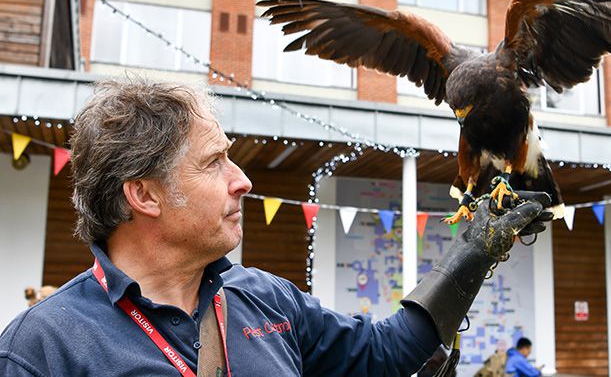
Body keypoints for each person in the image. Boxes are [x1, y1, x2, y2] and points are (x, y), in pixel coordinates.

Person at [0, 80, 551, 376]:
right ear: (144, 194)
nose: (241, 181)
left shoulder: (267, 300)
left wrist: (472, 255)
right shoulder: (42, 349)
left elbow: (384, 355)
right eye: (214, 162)